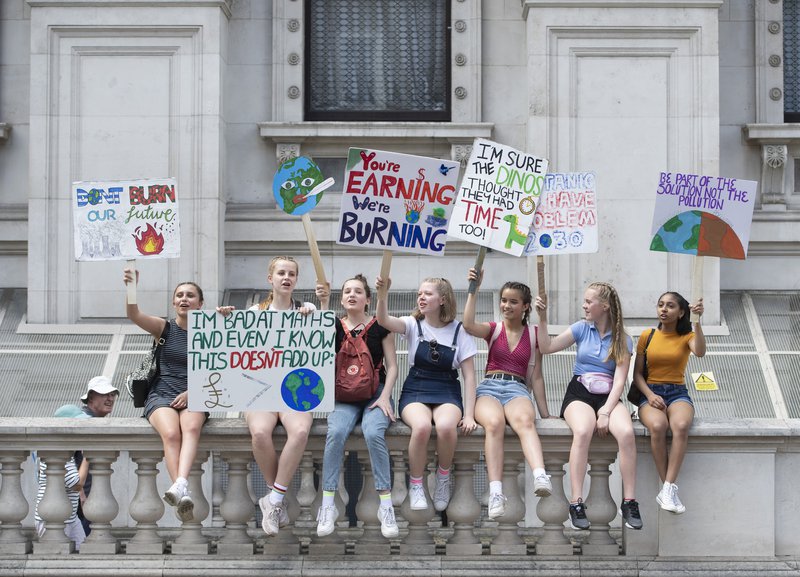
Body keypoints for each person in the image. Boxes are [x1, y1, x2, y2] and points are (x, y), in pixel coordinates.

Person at [216, 255, 329, 536]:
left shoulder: (307, 309)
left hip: (294, 390)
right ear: (271, 279)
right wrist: (222, 322)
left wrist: (318, 314)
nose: (286, 277)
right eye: (281, 273)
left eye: (291, 273)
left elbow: (325, 340)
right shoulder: (254, 312)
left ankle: (275, 499)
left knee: (301, 432)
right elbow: (232, 353)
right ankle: (274, 497)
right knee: (259, 433)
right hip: (262, 390)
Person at [535, 282, 642, 531]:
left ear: (604, 306)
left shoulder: (624, 339)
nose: (584, 306)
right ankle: (576, 502)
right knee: (583, 431)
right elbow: (547, 347)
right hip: (580, 392)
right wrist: (542, 317)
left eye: (588, 302)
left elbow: (619, 380)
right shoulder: (582, 329)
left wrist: (605, 411)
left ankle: (630, 501)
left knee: (626, 433)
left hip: (609, 396)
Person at [375, 275, 477, 512]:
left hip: (447, 389)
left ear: (442, 299)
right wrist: (382, 294)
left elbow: (470, 377)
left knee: (445, 427)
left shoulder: (459, 331)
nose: (421, 297)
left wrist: (469, 415)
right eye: (420, 293)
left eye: (427, 294)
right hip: (416, 387)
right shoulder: (412, 324)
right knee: (421, 427)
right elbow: (382, 320)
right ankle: (417, 484)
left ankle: (443, 476)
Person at [463, 269, 554, 519]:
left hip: (517, 388)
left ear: (525, 306)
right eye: (504, 300)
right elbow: (468, 325)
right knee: (493, 424)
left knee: (526, 422)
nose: (506, 305)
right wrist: (474, 288)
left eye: (513, 301)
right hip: (490, 387)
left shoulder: (534, 334)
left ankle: (540, 476)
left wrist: (546, 413)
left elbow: (536, 377)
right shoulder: (493, 329)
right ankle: (495, 492)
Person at [316, 274, 399, 539]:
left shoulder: (380, 326)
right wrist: (323, 303)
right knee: (336, 433)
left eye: (358, 291)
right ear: (341, 298)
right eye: (347, 291)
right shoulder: (333, 325)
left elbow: (393, 366)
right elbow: (316, 345)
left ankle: (386, 506)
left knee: (374, 433)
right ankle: (327, 504)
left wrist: (385, 397)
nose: (352, 295)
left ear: (368, 299)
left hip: (376, 394)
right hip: (343, 396)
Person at [123, 269, 208, 523]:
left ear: (200, 303)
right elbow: (133, 315)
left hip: (196, 393)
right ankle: (181, 489)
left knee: (191, 428)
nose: (184, 299)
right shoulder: (164, 328)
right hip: (161, 393)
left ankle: (180, 487)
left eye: (190, 295)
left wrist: (194, 392)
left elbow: (221, 370)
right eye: (179, 295)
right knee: (171, 434)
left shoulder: (210, 333)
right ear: (173, 302)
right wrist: (131, 288)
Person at [632, 292, 705, 514]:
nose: (664, 309)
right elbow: (637, 375)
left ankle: (667, 489)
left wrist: (697, 321)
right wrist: (650, 395)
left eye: (670, 306)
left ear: (681, 312)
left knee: (681, 426)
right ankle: (668, 490)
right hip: (650, 391)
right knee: (658, 426)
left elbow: (700, 352)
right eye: (661, 305)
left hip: (677, 392)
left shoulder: (687, 336)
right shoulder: (648, 335)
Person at [34, 404, 90, 550]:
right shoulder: (56, 451)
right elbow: (76, 484)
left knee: (83, 552)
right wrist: (88, 456)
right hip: (52, 519)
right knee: (56, 559)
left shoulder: (66, 452)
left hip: (69, 518)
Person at [75, 375, 119, 536]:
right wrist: (80, 494)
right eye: (105, 394)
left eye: (112, 394)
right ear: (91, 397)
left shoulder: (92, 420)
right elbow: (69, 461)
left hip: (89, 497)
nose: (110, 398)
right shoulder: (84, 422)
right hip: (82, 500)